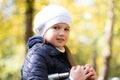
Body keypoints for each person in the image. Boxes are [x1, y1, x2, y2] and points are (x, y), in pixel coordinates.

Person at [21, 4, 96, 80]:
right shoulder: (37, 54)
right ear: (44, 30)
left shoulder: (63, 54)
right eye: (56, 27)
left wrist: (85, 77)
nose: (62, 33)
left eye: (66, 29)